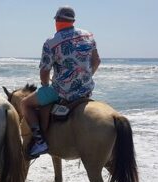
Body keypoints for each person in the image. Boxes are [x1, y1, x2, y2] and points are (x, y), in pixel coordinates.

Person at [21, 6, 101, 158]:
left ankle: (40, 142)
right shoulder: (89, 35)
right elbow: (97, 61)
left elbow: (44, 71)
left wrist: (45, 86)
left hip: (62, 91)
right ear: (73, 21)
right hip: (86, 90)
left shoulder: (51, 42)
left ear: (57, 21)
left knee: (25, 103)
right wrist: (86, 77)